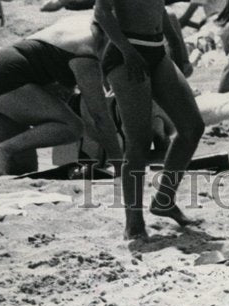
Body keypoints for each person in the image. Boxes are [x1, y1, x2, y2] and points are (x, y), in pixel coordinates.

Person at [0, 12, 123, 176]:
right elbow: (98, 116)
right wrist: (120, 163)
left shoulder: (79, 23)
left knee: (22, 167)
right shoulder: (87, 52)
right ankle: (1, 149)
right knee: (72, 127)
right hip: (4, 77)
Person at [94, 0, 204, 240]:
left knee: (192, 127)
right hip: (126, 52)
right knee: (139, 142)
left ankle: (164, 199)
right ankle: (134, 222)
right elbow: (101, 12)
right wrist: (126, 50)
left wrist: (176, 44)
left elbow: (158, 8)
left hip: (156, 50)